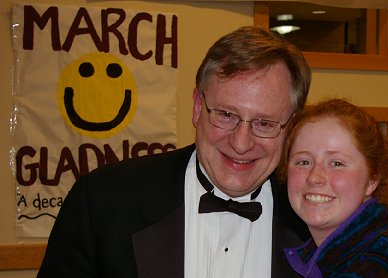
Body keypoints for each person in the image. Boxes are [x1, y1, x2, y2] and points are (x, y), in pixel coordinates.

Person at [37, 26, 312, 278]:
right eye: (226, 115)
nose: (241, 143)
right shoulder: (102, 201)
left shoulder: (316, 222)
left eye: (264, 123)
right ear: (197, 108)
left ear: (291, 127)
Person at [279, 98, 388, 277]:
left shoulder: (379, 266)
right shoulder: (335, 255)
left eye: (336, 163)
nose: (314, 177)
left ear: (372, 179)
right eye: (303, 161)